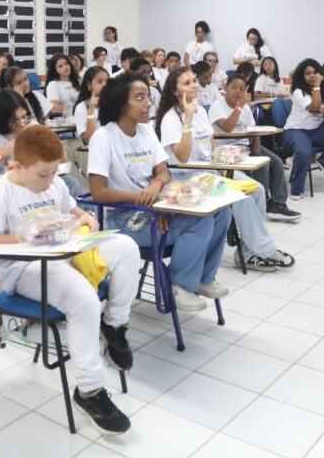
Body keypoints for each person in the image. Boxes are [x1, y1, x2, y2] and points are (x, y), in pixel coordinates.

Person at [0, 125, 139, 435]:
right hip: (23, 268)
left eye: (54, 172)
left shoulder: (53, 184)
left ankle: (114, 325)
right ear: (17, 165)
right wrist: (25, 237)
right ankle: (89, 390)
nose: (50, 180)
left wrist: (83, 216)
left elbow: (69, 207)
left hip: (63, 251)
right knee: (83, 299)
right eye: (43, 174)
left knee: (127, 249)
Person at [88, 72, 230, 313]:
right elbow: (98, 193)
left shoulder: (146, 131)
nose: (147, 103)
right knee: (199, 222)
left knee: (222, 213)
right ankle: (179, 285)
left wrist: (155, 187)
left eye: (148, 97)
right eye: (139, 98)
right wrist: (145, 200)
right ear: (121, 103)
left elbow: (164, 173)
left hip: (153, 207)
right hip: (123, 218)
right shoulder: (103, 137)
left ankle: (204, 278)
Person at [157, 70, 295, 273]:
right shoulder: (171, 118)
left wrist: (221, 165)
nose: (194, 84)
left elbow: (210, 145)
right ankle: (266, 250)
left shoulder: (200, 111)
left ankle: (248, 254)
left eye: (194, 80)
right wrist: (187, 120)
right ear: (174, 91)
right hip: (188, 177)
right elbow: (183, 158)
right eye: (187, 83)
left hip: (210, 171)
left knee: (256, 189)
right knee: (241, 198)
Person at [209, 74, 300, 221]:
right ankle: (263, 204)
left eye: (242, 89)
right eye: (234, 87)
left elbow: (253, 131)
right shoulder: (217, 106)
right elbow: (227, 128)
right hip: (224, 150)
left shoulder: (245, 108)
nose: (238, 92)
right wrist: (239, 107)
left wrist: (257, 152)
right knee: (261, 165)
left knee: (276, 162)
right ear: (226, 88)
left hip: (244, 148)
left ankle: (278, 204)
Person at [283, 59, 324, 200]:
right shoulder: (298, 91)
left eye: (314, 72)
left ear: (320, 74)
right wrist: (317, 86)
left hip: (315, 130)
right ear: (302, 76)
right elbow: (314, 107)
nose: (312, 75)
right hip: (296, 130)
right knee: (304, 152)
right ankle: (296, 189)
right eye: (308, 73)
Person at [73, 66, 109, 146]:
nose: (104, 85)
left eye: (107, 81)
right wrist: (91, 111)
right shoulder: (82, 107)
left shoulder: (115, 103)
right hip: (97, 148)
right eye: (99, 81)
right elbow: (88, 140)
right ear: (88, 84)